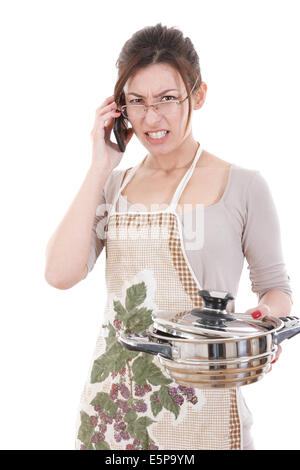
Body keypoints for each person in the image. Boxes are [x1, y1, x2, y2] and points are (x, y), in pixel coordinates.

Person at [45, 23, 293, 450]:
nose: (151, 118)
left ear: (198, 95)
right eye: (136, 102)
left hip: (206, 407)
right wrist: (99, 165)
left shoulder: (244, 186)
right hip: (114, 411)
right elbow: (59, 274)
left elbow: (276, 290)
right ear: (118, 108)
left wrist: (261, 325)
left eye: (167, 99)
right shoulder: (112, 187)